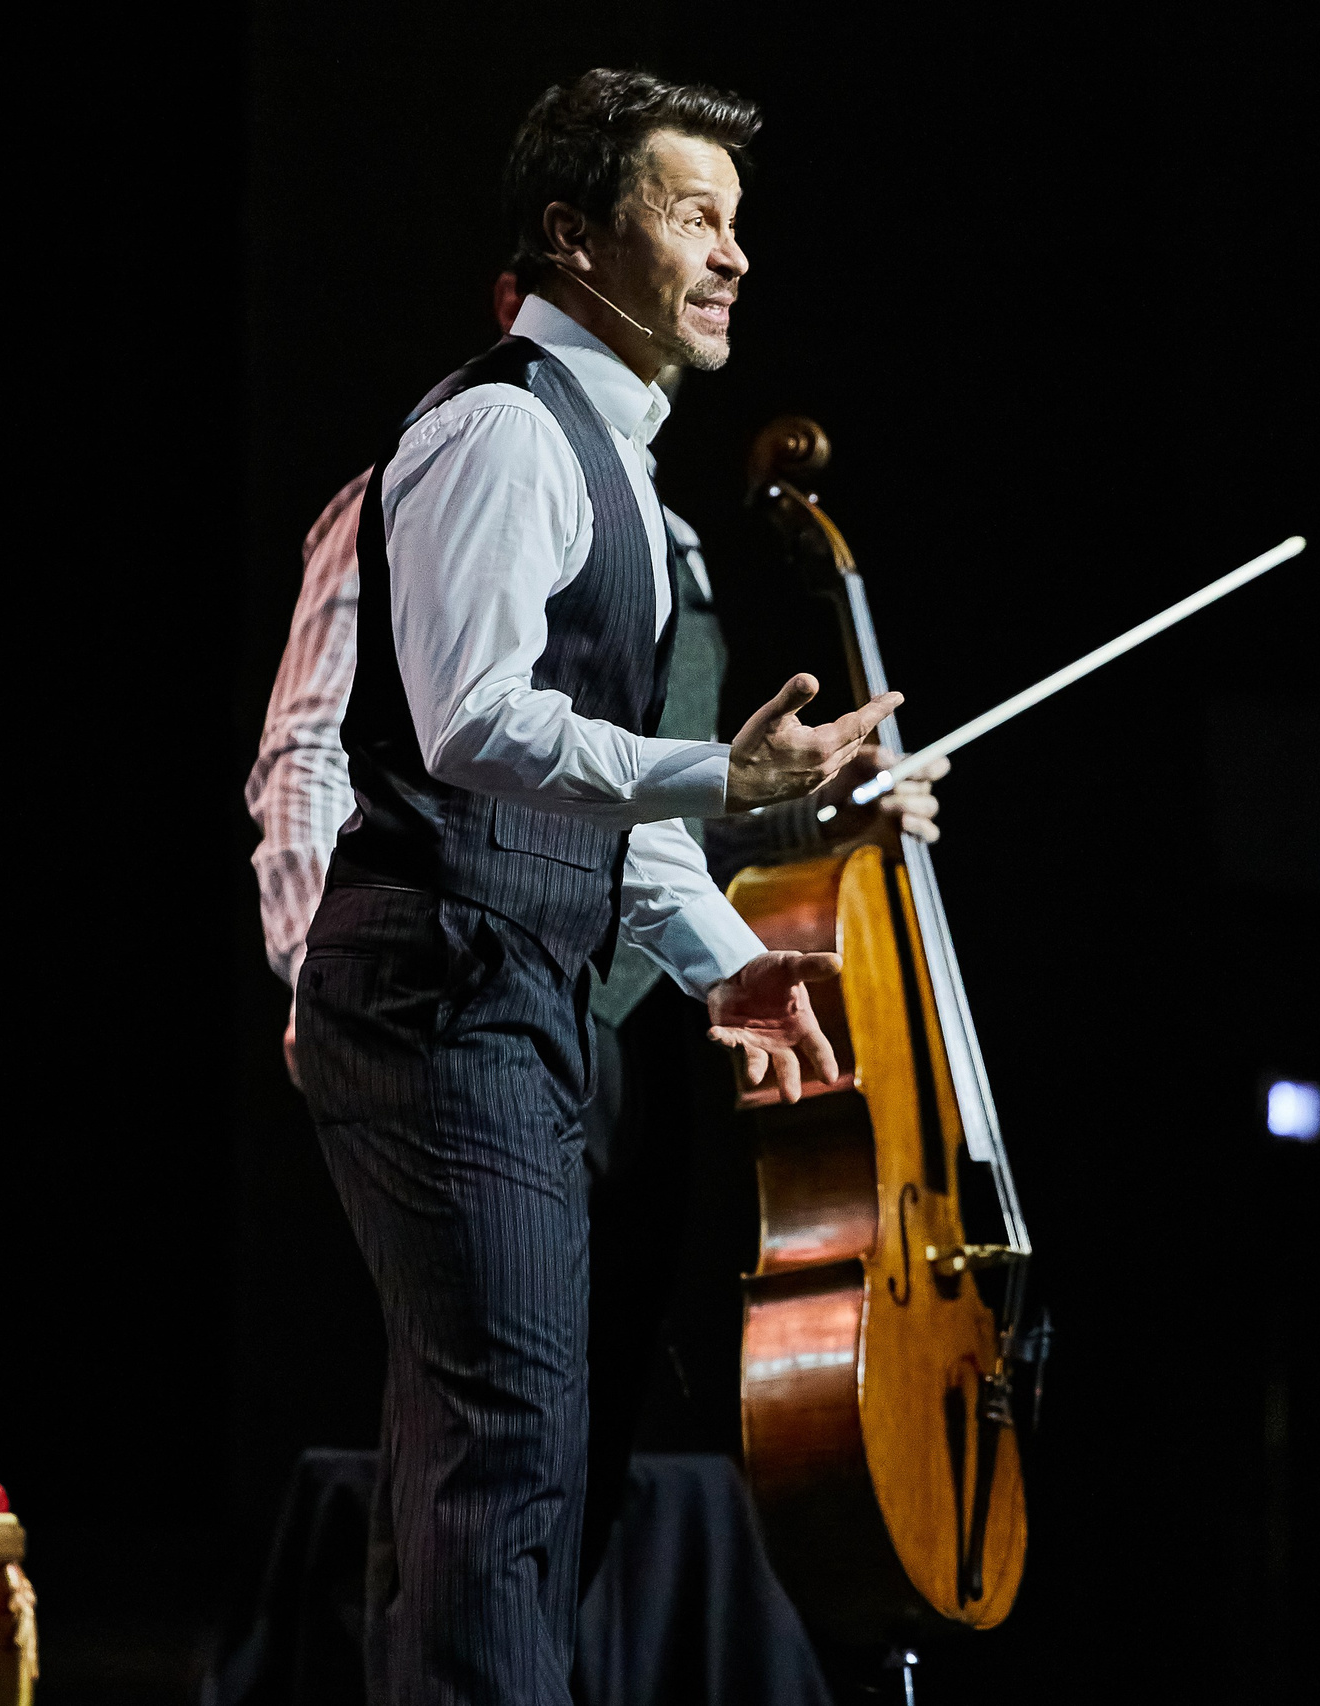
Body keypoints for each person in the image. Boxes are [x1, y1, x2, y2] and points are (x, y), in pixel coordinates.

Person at [280, 70, 928, 1705]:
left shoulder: (625, 473)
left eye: (737, 221)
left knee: (505, 1458)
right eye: (691, 215)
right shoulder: (503, 427)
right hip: (439, 979)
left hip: (518, 988)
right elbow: (475, 722)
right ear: (575, 236)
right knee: (508, 1447)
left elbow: (615, 812)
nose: (733, 255)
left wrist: (719, 961)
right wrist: (735, 778)